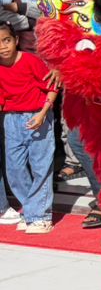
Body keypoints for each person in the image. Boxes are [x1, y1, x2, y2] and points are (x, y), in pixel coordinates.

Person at [0, 19, 57, 232]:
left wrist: (43, 112)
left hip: (38, 116)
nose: (3, 46)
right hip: (11, 120)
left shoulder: (31, 61)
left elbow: (52, 87)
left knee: (41, 167)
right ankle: (32, 209)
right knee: (14, 169)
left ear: (15, 40)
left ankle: (41, 216)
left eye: (6, 40)